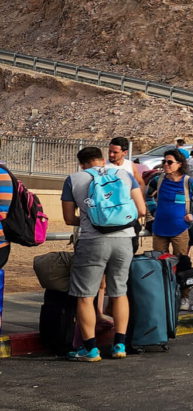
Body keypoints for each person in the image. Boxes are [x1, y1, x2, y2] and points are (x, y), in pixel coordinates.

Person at [61, 147, 147, 361]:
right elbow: (142, 210)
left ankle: (90, 349)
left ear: (82, 164)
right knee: (119, 292)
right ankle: (119, 345)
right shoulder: (124, 175)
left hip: (93, 241)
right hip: (124, 240)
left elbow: (69, 218)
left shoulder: (74, 179)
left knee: (84, 296)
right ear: (102, 159)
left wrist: (94, 218)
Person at [146, 148, 193, 259]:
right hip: (159, 229)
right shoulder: (158, 180)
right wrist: (154, 211)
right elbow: (148, 196)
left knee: (181, 263)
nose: (166, 165)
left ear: (180, 164)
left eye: (170, 162)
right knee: (159, 262)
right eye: (164, 162)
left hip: (180, 229)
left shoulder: (189, 182)